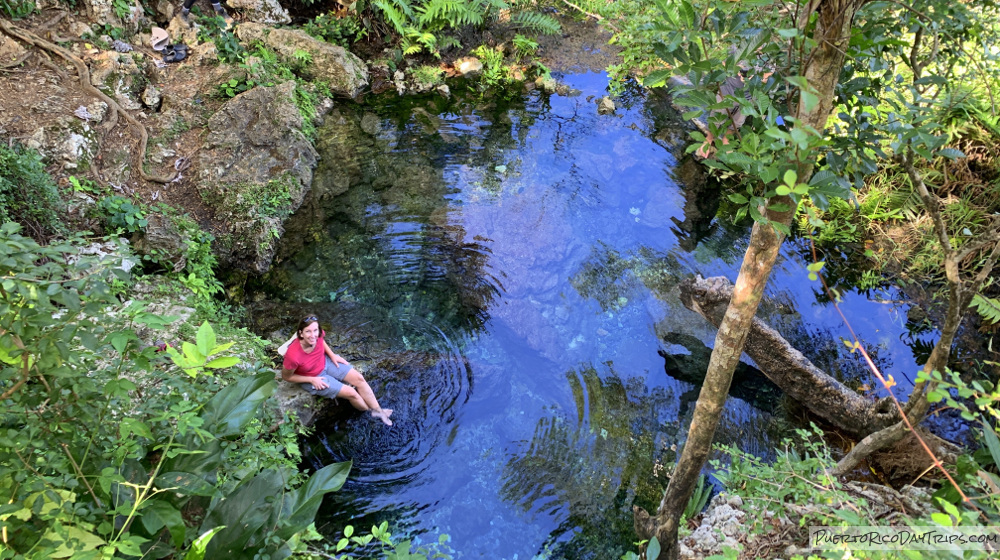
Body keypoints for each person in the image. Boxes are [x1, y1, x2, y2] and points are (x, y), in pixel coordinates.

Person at [281, 315, 393, 426]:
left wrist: (333, 355)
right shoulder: (293, 355)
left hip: (325, 362)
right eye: (308, 332)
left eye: (315, 330)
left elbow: (321, 341)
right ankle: (370, 412)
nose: (313, 335)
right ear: (301, 334)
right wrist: (312, 380)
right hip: (313, 377)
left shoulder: (317, 334)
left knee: (359, 379)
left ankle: (378, 411)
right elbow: (287, 377)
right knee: (352, 393)